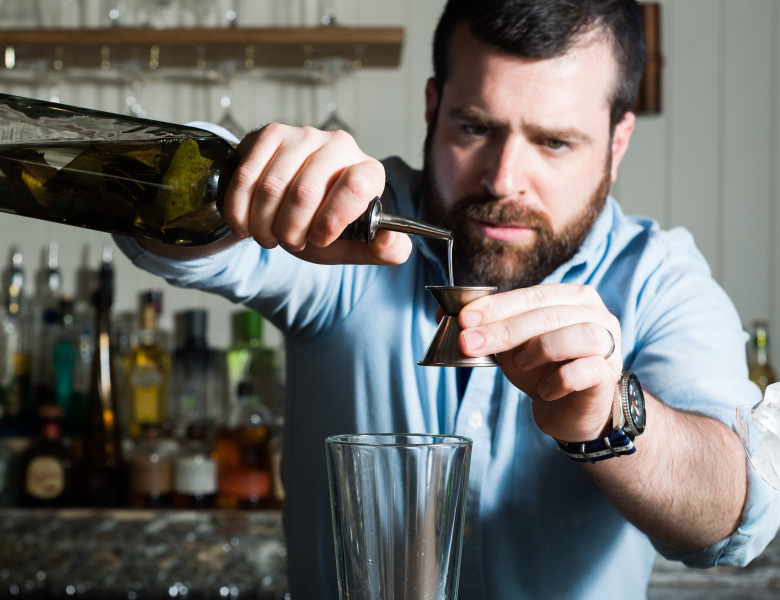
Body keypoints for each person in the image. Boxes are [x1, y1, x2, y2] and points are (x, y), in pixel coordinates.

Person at [116, 0, 780, 597]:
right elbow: (155, 218)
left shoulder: (659, 280)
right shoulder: (349, 227)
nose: (504, 179)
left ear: (617, 143)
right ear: (433, 108)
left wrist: (611, 417)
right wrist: (238, 179)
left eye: (554, 142)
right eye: (475, 128)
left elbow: (731, 514)